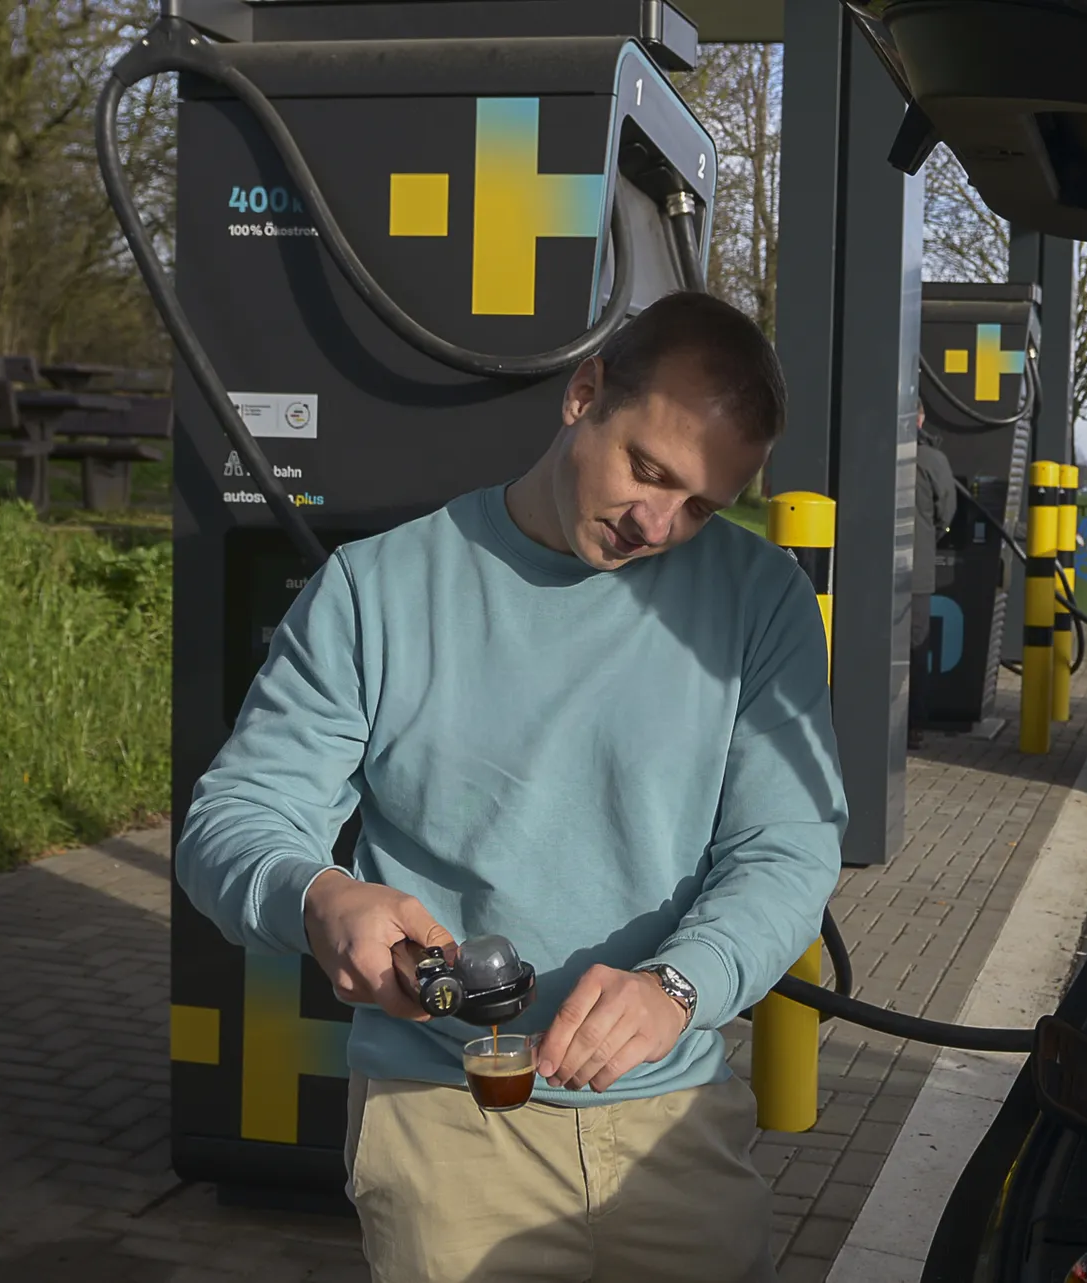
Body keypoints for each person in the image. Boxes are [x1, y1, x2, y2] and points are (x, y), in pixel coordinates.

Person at [173, 291, 847, 1283]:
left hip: (673, 1121)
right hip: (446, 1122)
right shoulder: (378, 591)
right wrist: (322, 896)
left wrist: (680, 984)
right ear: (583, 396)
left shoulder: (759, 599)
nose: (658, 524)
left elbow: (788, 847)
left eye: (701, 503)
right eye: (646, 470)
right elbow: (233, 820)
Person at [909, 402, 959, 749]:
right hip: (916, 570)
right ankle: (912, 725)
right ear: (921, 418)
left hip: (867, 576)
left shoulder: (871, 453)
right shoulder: (932, 461)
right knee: (915, 648)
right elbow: (948, 512)